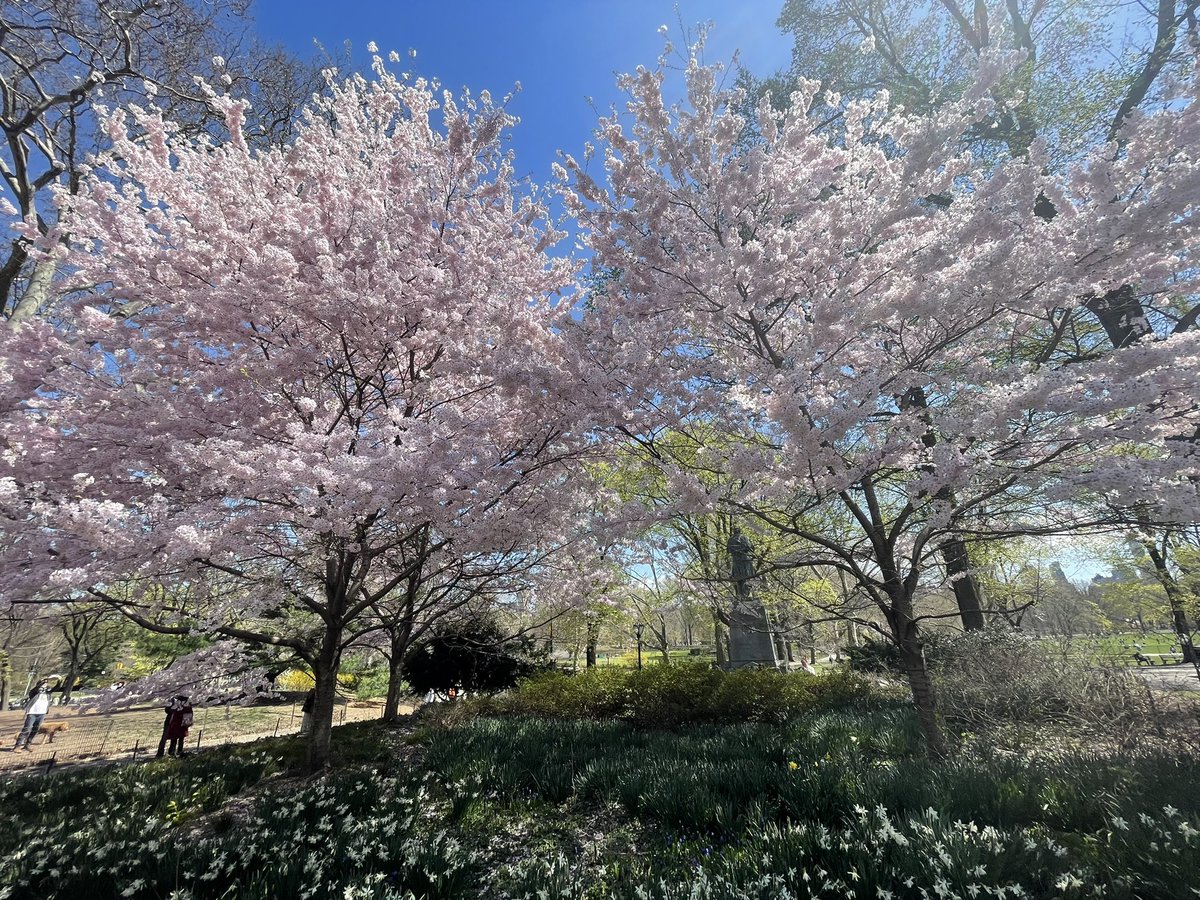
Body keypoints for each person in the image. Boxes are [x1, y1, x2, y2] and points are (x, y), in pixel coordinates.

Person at [12, 678, 58, 752]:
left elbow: (56, 687)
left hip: (41, 713)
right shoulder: (34, 692)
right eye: (43, 683)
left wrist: (59, 680)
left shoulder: (48, 693)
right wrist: (43, 681)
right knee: (27, 729)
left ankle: (28, 744)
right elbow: (36, 688)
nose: (45, 684)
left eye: (46, 683)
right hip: (32, 713)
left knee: (35, 730)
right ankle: (17, 746)